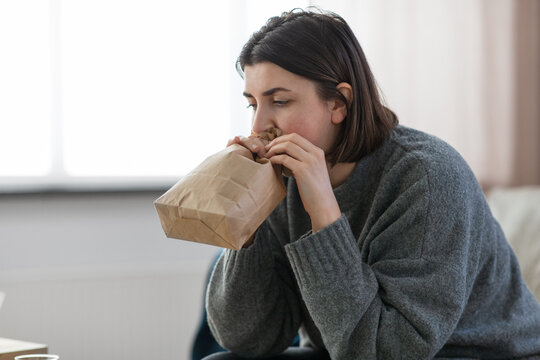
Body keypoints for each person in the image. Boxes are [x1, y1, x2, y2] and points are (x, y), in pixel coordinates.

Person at [202, 8, 540, 360]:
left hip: (472, 353)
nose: (259, 126)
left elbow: (387, 351)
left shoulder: (427, 177)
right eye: (252, 104)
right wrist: (247, 217)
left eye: (280, 101)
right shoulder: (281, 179)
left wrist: (323, 213)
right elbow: (246, 338)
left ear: (339, 103)